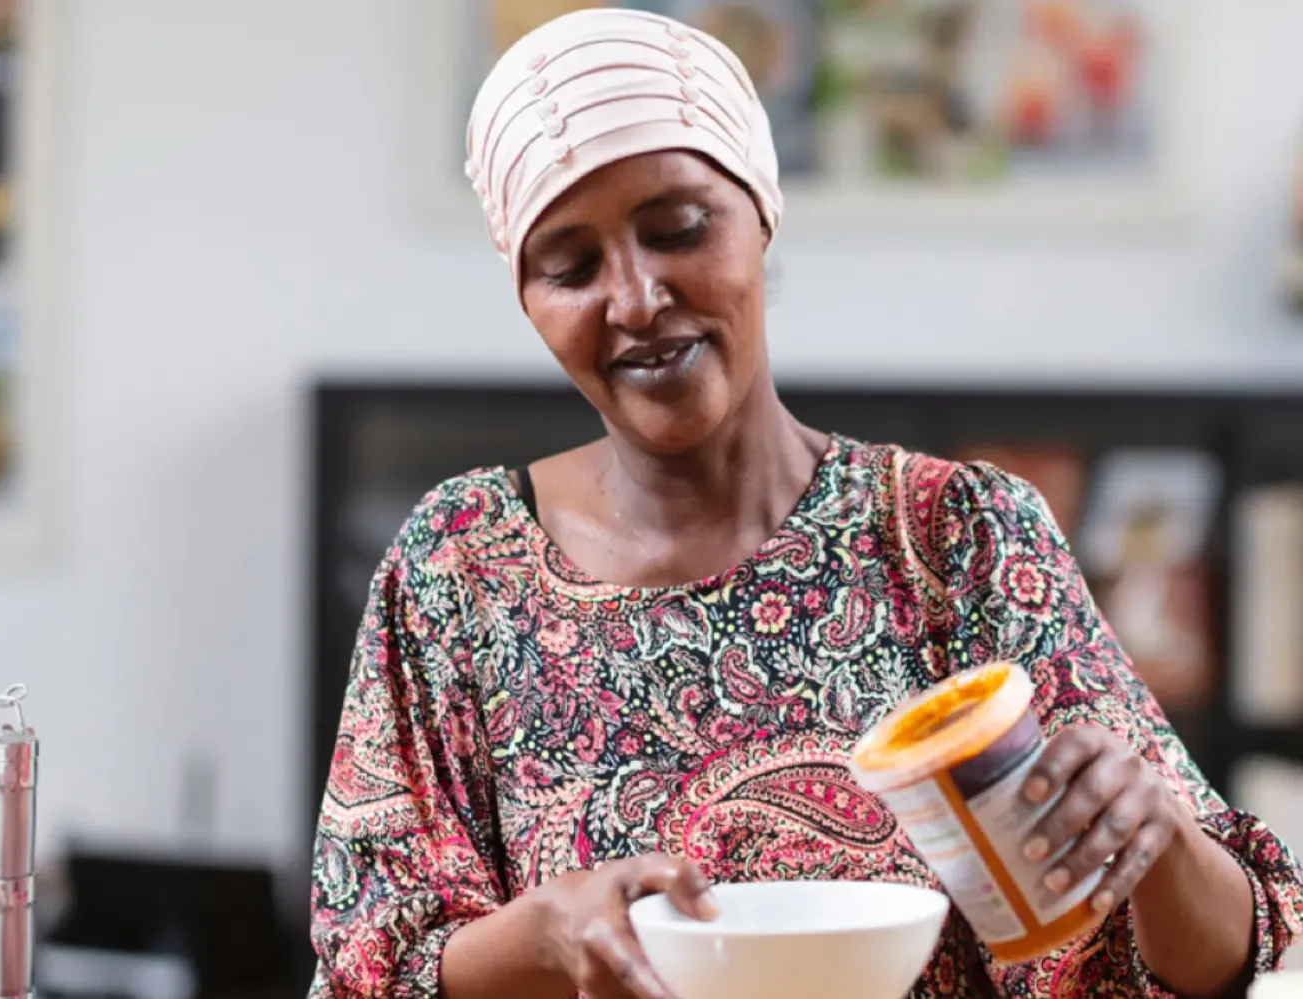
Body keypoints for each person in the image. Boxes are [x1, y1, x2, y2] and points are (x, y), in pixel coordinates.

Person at [306, 9, 1303, 999]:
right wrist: (539, 940)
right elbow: (366, 965)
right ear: (527, 299)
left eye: (676, 228)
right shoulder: (460, 566)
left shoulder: (956, 540)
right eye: (569, 266)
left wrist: (1155, 838)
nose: (636, 297)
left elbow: (1234, 957)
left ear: (759, 212)